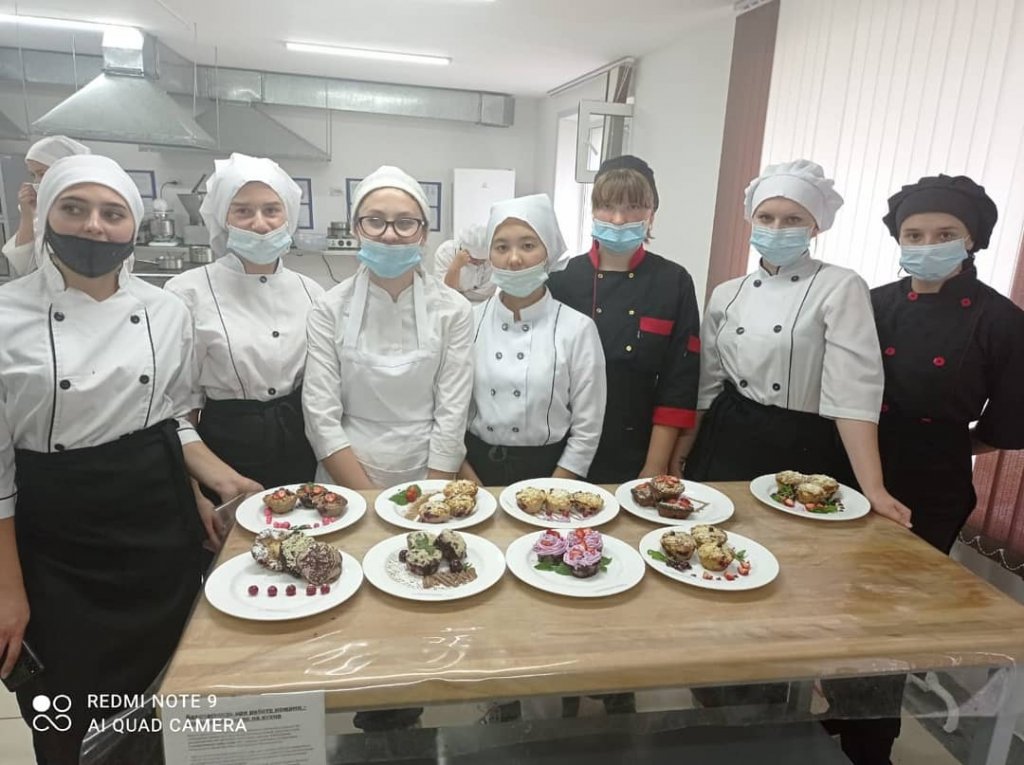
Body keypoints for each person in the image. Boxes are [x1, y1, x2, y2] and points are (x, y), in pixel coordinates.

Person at [0, 154, 258, 764]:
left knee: (169, 691)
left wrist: (208, 487)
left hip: (155, 525)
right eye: (75, 208)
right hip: (55, 535)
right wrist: (8, 588)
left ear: (133, 226)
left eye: (112, 213)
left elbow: (166, 417)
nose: (94, 225)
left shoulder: (164, 310)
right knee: (67, 705)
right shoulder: (6, 315)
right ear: (47, 213)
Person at [677, 159, 911, 527]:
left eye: (792, 219)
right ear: (751, 220)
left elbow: (852, 394)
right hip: (727, 437)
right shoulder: (727, 293)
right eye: (766, 217)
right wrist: (680, 457)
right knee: (715, 537)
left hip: (802, 443)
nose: (776, 228)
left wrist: (874, 488)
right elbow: (706, 387)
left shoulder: (840, 286)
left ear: (815, 226)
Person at [873, 174, 1024, 553]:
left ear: (971, 239)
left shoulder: (1002, 320)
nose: (927, 245)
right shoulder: (870, 303)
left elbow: (1008, 418)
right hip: (853, 460)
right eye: (914, 235)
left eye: (945, 235)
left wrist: (944, 443)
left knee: (905, 578)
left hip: (934, 480)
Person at [165, 153, 325, 513]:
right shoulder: (188, 292)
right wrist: (195, 494)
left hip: (300, 445)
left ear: (288, 216)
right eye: (243, 211)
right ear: (223, 218)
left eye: (271, 210)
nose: (260, 224)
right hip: (224, 452)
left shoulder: (312, 292)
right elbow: (178, 409)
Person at [304, 165, 474, 492]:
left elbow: (453, 414)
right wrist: (369, 500)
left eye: (405, 223)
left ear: (424, 233)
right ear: (356, 229)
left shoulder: (454, 310)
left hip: (429, 476)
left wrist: (429, 498)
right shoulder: (328, 308)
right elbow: (320, 417)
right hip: (346, 481)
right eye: (375, 221)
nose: (390, 234)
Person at [548, 155, 701, 484]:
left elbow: (679, 380)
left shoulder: (672, 281)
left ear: (651, 215)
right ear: (593, 211)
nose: (618, 219)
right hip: (560, 442)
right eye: (607, 206)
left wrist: (655, 465)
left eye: (633, 207)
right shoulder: (562, 278)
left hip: (637, 445)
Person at [462, 193, 606, 485]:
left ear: (548, 252)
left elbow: (587, 427)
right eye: (501, 247)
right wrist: (469, 482)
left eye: (528, 245)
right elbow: (449, 412)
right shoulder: (467, 322)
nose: (514, 259)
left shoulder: (578, 328)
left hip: (552, 473)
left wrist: (555, 489)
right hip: (474, 472)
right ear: (489, 255)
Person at [2, 135, 91, 278]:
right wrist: (27, 214)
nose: (37, 182)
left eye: (42, 174)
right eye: (33, 175)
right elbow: (24, 264)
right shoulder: (42, 208)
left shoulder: (94, 207)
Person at [433, 223, 495, 302]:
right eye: (473, 259)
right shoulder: (445, 252)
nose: (477, 263)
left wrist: (459, 294)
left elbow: (485, 294)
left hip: (479, 305)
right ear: (462, 249)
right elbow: (444, 292)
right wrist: (455, 267)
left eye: (482, 261)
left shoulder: (491, 261)